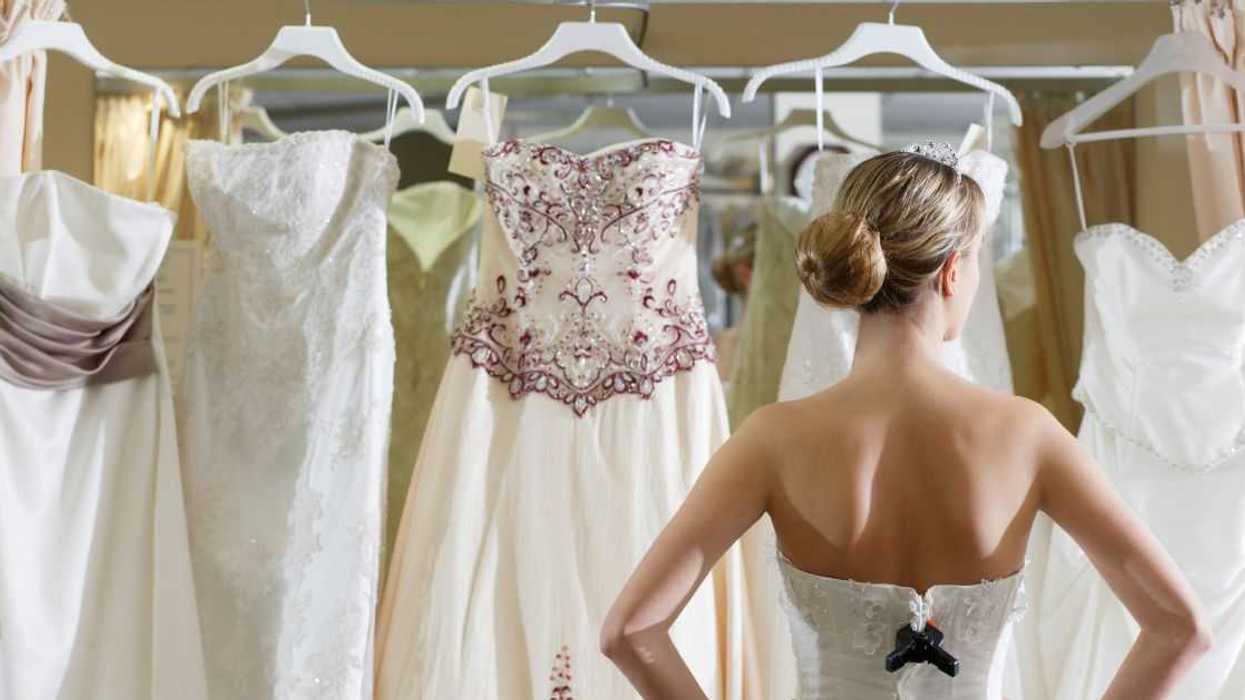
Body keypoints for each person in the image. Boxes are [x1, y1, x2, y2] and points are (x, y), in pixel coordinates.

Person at [601, 146, 1210, 699]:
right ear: (951, 270)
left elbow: (629, 632)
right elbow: (1180, 629)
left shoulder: (771, 439)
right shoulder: (1027, 436)